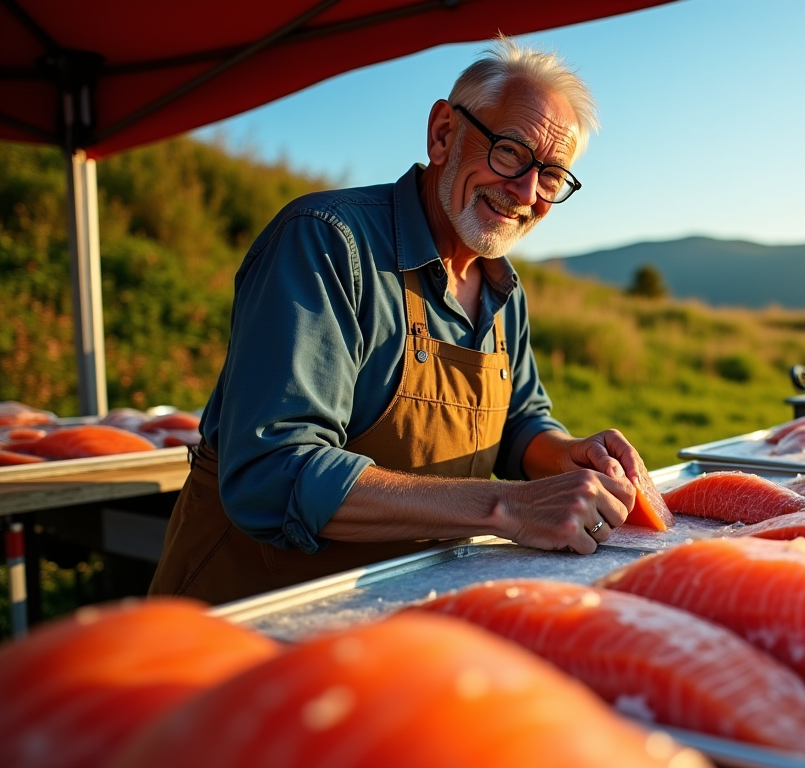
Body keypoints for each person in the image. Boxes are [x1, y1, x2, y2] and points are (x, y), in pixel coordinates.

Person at [150, 39, 643, 604]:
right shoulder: (328, 243)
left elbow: (519, 422)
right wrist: (506, 508)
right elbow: (272, 472)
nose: (527, 192)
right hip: (256, 614)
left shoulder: (504, 288)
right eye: (510, 152)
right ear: (442, 134)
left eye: (553, 177)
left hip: (398, 613)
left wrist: (569, 453)